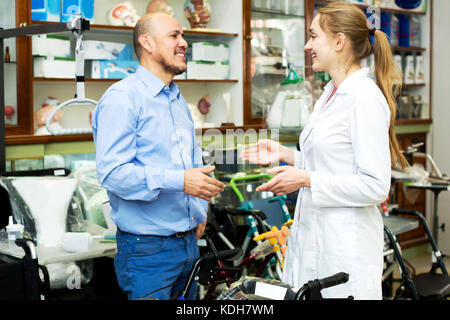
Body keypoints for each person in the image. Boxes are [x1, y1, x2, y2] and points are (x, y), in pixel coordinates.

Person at [240, 2, 408, 299]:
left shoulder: (364, 98)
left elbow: (375, 185)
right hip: (315, 243)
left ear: (339, 41)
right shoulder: (329, 94)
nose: (307, 45)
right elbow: (335, 163)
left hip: (344, 251)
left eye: (313, 36)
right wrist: (287, 154)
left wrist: (305, 179)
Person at [91, 13, 225, 300]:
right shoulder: (122, 99)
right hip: (147, 251)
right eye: (174, 36)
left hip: (189, 245)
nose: (184, 43)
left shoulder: (176, 100)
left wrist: (199, 210)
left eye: (183, 36)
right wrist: (180, 182)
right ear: (147, 42)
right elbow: (114, 174)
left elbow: (191, 164)